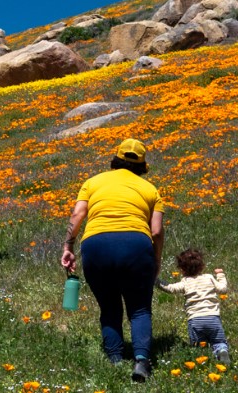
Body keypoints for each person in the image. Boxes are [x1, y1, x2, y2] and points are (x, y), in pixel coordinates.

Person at [61, 138, 164, 382]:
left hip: (96, 244)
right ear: (142, 165)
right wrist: (156, 260)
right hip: (136, 246)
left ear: (115, 159)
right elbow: (157, 231)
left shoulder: (92, 182)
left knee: (109, 307)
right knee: (139, 308)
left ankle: (115, 360)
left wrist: (68, 246)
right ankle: (141, 361)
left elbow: (77, 215)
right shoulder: (151, 190)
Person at [156, 248, 231, 364]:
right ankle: (221, 351)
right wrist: (220, 275)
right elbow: (223, 289)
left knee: (198, 346)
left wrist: (156, 280)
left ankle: (202, 363)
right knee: (219, 341)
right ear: (202, 266)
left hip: (195, 320)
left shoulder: (185, 282)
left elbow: (170, 288)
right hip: (213, 318)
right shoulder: (209, 278)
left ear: (181, 269)